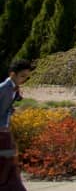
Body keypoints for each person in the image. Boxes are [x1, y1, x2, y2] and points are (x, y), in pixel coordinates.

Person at [0, 59, 34, 191]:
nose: (24, 80)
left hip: (5, 130)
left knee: (9, 163)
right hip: (1, 132)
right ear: (12, 74)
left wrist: (9, 110)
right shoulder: (3, 88)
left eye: (26, 77)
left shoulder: (13, 88)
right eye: (22, 76)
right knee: (6, 163)